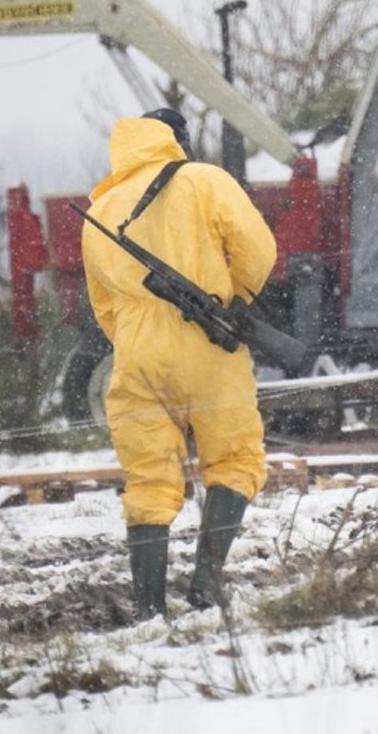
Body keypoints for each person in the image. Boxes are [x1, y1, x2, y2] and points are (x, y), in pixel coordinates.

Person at [82, 107, 278, 619]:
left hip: (136, 357)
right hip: (209, 346)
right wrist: (237, 302)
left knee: (149, 479)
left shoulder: (100, 209)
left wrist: (137, 340)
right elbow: (258, 250)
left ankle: (149, 607)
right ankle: (206, 584)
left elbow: (103, 306)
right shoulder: (203, 180)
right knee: (234, 460)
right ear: (178, 141)